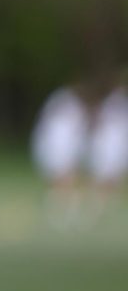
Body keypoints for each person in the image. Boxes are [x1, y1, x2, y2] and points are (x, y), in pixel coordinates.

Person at [31, 82, 92, 228]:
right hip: (59, 150)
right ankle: (63, 211)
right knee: (64, 181)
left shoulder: (70, 109)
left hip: (64, 150)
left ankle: (64, 210)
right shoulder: (64, 111)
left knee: (67, 180)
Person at [89, 74, 128, 215]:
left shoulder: (120, 104)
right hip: (108, 146)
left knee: (115, 176)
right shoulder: (113, 104)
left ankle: (111, 204)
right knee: (104, 175)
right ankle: (99, 203)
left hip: (117, 146)